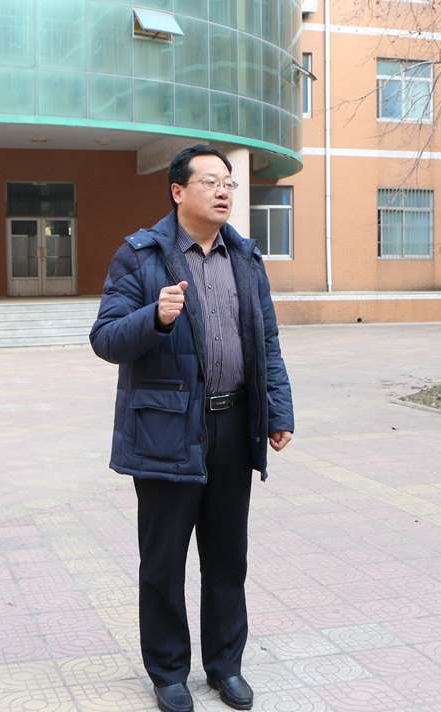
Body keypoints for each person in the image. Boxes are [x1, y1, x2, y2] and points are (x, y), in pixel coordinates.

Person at [90, 144, 294, 712]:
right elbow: (105, 339)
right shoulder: (141, 256)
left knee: (228, 556)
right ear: (178, 191)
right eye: (210, 181)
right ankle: (168, 672)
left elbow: (267, 342)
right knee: (163, 561)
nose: (223, 191)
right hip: (167, 431)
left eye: (228, 182)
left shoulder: (245, 257)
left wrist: (278, 411)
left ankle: (225, 665)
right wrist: (154, 317)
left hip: (234, 426)